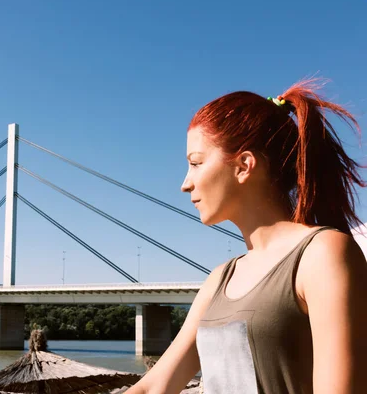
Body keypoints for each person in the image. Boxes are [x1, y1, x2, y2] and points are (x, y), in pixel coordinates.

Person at [126, 79, 367, 394]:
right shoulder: (220, 279)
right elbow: (154, 386)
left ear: (243, 166)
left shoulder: (322, 254)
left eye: (196, 163)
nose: (185, 184)